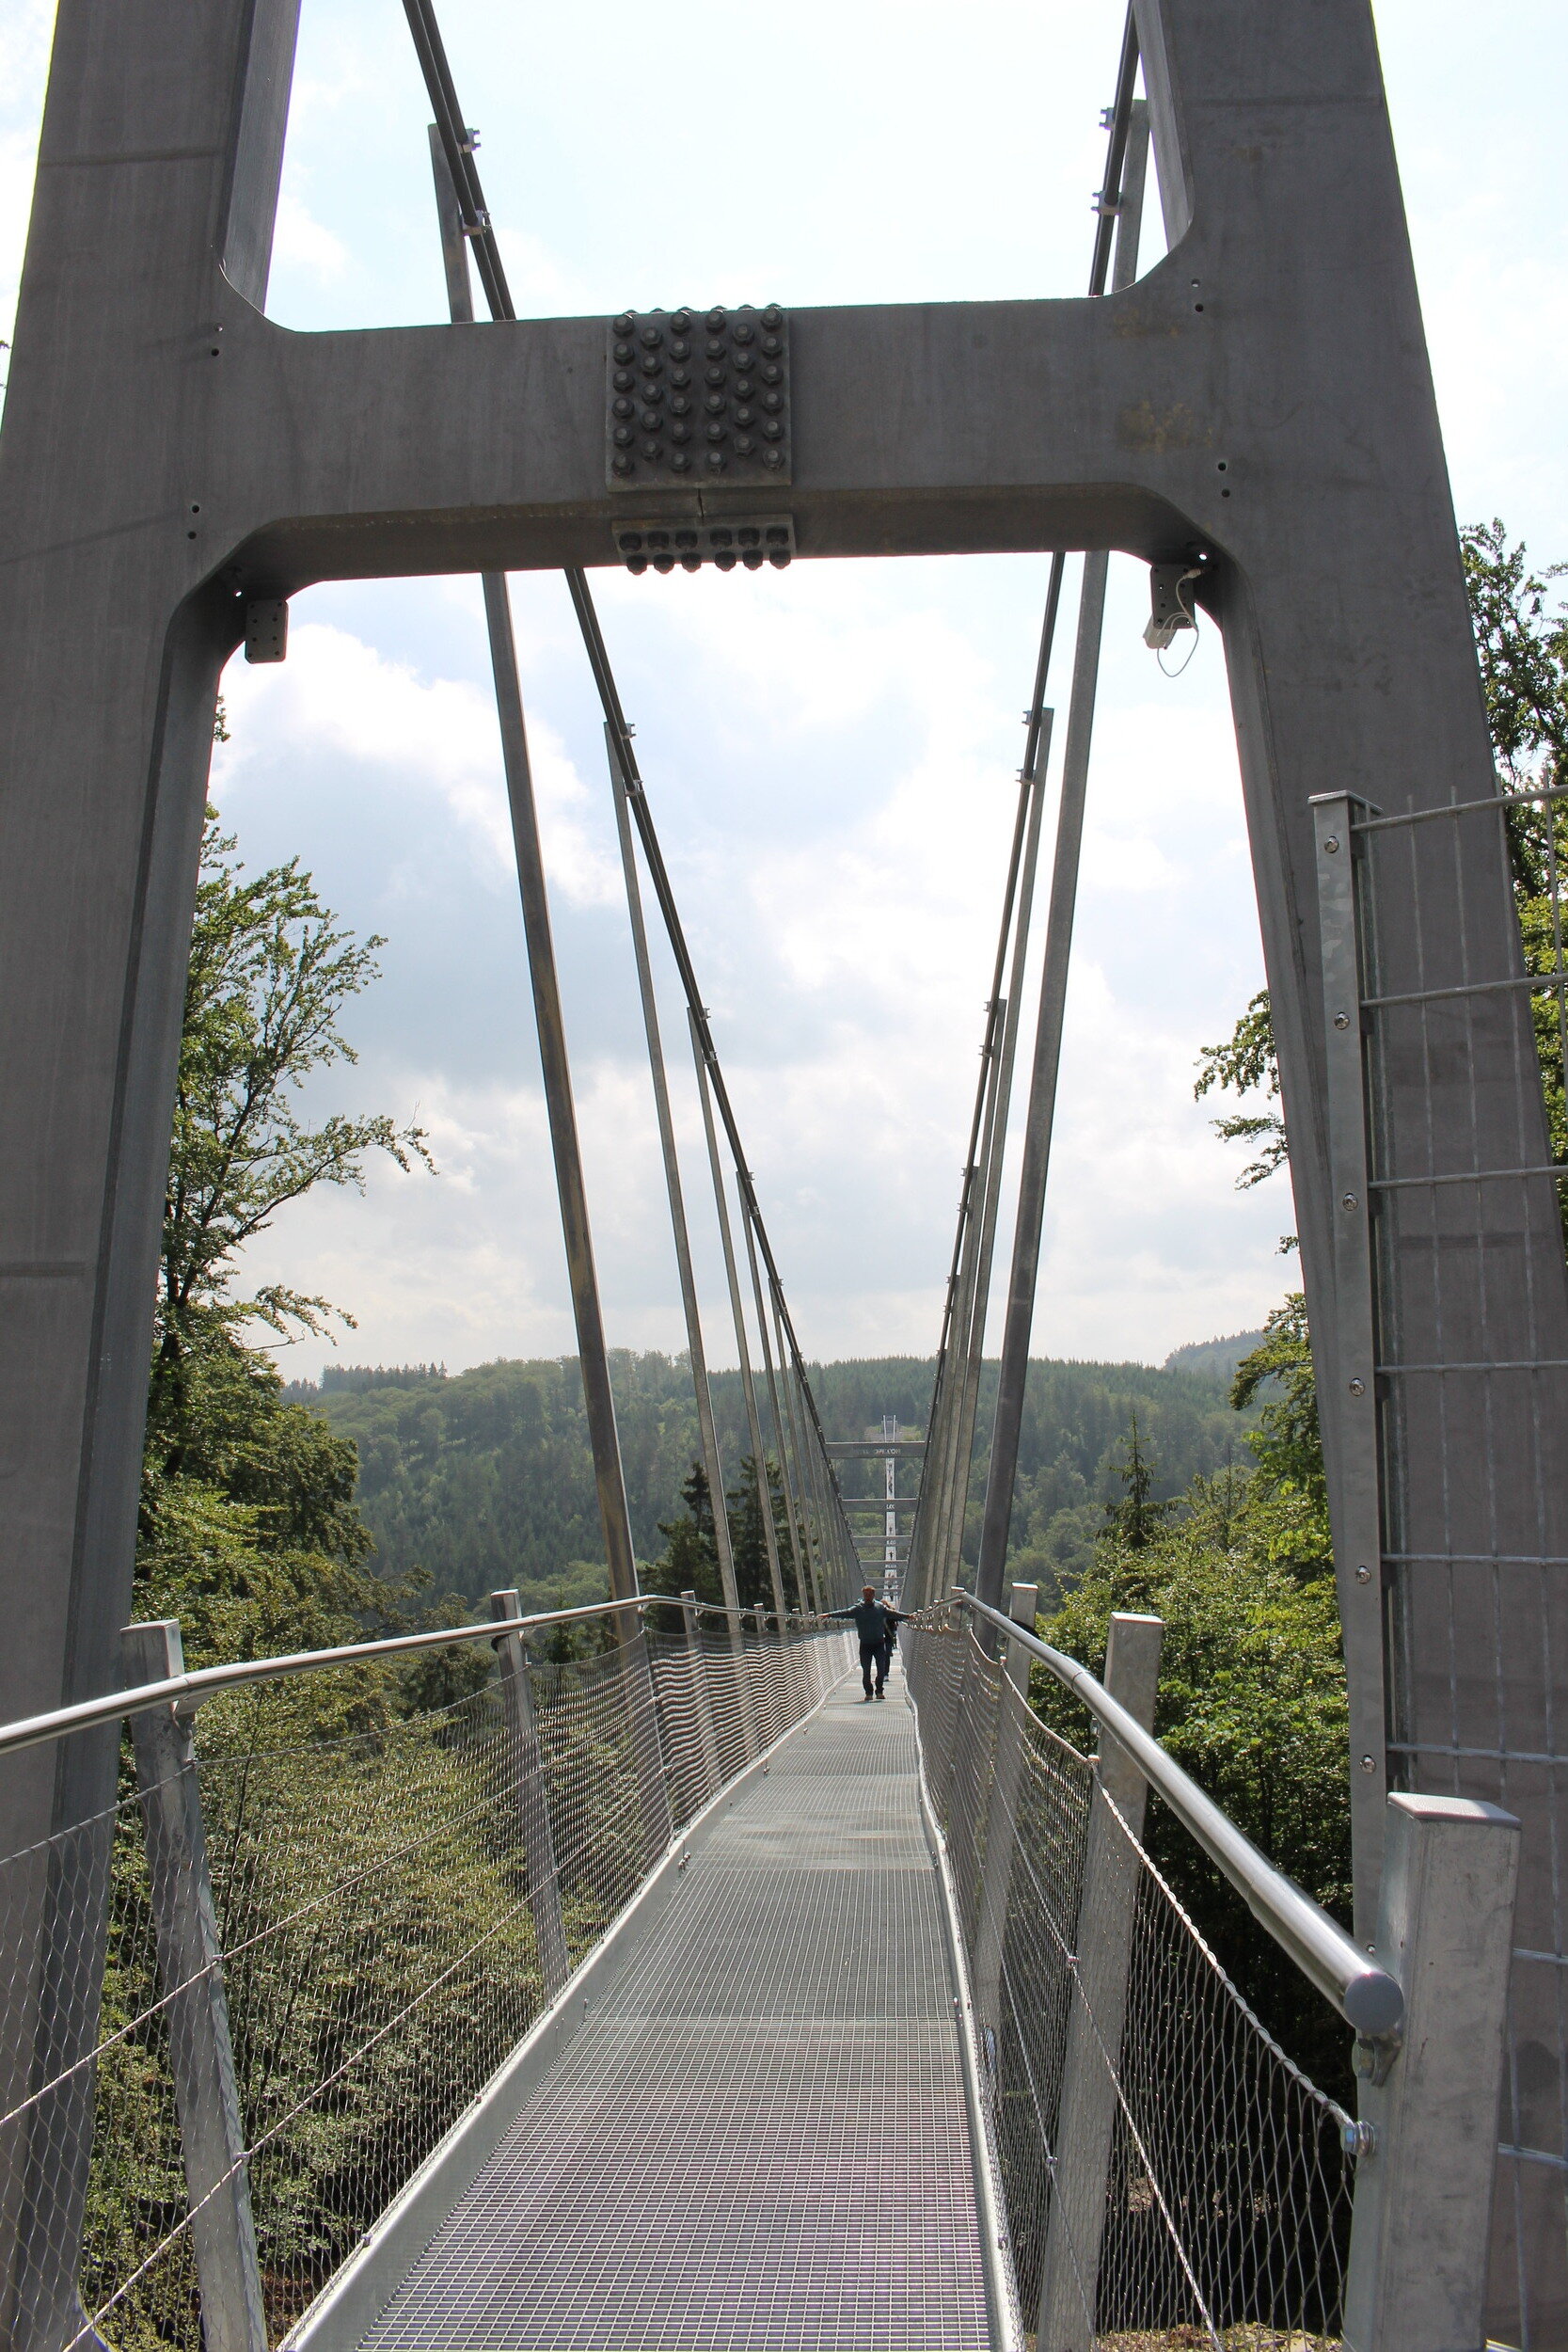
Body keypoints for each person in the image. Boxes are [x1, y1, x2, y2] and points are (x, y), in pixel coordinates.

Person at [830, 1585, 906, 1701]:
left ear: (873, 1595)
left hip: (879, 1644)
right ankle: (868, 1693)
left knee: (881, 1669)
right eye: (865, 1594)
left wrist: (907, 1617)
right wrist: (829, 1615)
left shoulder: (880, 1608)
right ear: (863, 1595)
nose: (867, 1597)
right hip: (865, 1644)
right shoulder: (858, 1609)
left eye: (869, 1594)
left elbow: (894, 1614)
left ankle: (879, 1691)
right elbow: (844, 1613)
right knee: (866, 1671)